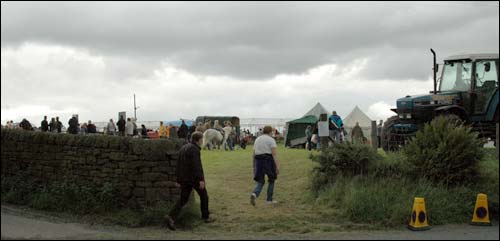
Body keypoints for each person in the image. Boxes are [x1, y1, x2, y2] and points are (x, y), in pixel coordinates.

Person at [165, 131, 212, 230]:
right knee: (204, 196)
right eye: (201, 139)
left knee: (183, 199)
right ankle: (205, 217)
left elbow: (178, 165)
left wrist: (178, 179)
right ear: (198, 140)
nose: (202, 141)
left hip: (184, 178)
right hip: (193, 178)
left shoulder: (184, 147)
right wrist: (201, 180)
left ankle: (171, 216)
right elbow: (196, 166)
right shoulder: (194, 150)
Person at [250, 125, 280, 206]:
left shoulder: (257, 139)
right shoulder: (271, 140)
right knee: (272, 179)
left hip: (258, 160)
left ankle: (254, 194)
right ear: (270, 132)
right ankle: (269, 200)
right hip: (268, 160)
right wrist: (277, 166)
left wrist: (253, 165)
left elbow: (253, 154)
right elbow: (274, 154)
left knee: (260, 181)